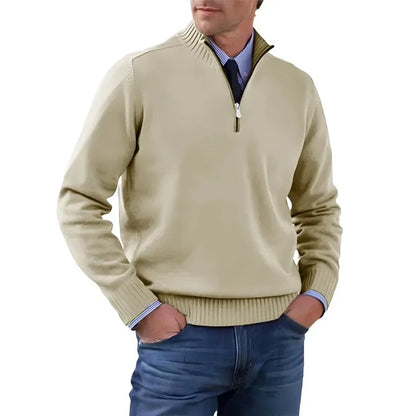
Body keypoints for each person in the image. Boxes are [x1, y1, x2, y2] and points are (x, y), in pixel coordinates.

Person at [56, 0, 343, 414]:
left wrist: (317, 293)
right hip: (179, 340)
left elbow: (318, 207)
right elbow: (79, 200)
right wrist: (138, 307)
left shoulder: (296, 87)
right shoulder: (140, 75)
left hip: (278, 340)